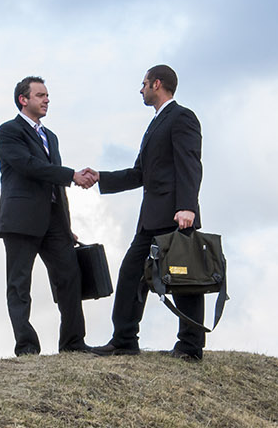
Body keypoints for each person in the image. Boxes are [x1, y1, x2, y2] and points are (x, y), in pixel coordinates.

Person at [79, 64, 205, 362]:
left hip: (176, 217)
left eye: (144, 84)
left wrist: (187, 207)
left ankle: (190, 347)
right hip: (150, 220)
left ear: (156, 84)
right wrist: (102, 178)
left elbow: (190, 163)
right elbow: (140, 173)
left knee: (184, 281)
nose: (141, 89)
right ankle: (124, 340)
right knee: (130, 274)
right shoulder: (155, 124)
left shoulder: (182, 117)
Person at [0, 76, 97, 356]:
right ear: (23, 99)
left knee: (70, 277)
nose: (47, 100)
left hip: (55, 222)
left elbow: (54, 186)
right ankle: (27, 347)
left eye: (47, 95)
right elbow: (29, 166)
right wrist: (72, 175)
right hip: (21, 221)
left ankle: (73, 343)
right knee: (19, 285)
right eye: (40, 95)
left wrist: (66, 225)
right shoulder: (8, 131)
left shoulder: (51, 137)